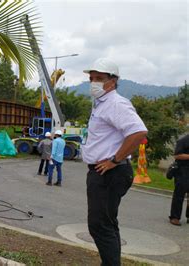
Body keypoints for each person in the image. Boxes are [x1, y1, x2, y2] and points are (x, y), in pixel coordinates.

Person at [81, 58, 147, 266]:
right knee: (106, 224)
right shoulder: (101, 104)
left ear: (113, 80)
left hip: (110, 172)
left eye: (99, 78)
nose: (94, 82)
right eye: (91, 78)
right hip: (104, 172)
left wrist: (114, 160)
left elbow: (138, 132)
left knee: (100, 226)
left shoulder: (116, 103)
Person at [169, 134, 189, 226]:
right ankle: (175, 217)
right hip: (183, 170)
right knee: (179, 194)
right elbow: (177, 155)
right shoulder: (184, 140)